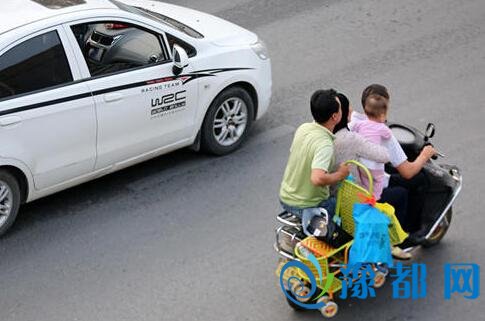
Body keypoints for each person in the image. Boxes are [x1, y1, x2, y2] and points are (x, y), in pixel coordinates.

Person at [351, 84, 437, 243]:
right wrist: (425, 155)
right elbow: (408, 172)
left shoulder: (354, 123)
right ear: (384, 111)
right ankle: (406, 234)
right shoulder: (385, 135)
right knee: (419, 180)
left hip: (354, 185)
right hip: (372, 191)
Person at [333, 93, 411, 259]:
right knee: (401, 194)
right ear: (339, 115)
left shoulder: (325, 137)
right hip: (358, 197)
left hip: (339, 193)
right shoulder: (351, 139)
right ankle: (393, 243)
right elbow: (385, 156)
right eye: (348, 109)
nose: (352, 111)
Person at [279, 89, 350, 235]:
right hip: (307, 204)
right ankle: (330, 248)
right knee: (343, 209)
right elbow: (317, 178)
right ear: (335, 116)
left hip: (285, 196)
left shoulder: (303, 128)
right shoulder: (325, 144)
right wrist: (340, 174)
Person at [352, 94, 392, 200]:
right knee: (379, 180)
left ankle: (365, 194)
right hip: (374, 166)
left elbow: (352, 128)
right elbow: (388, 135)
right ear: (383, 115)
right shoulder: (381, 127)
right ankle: (375, 198)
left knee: (366, 180)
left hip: (362, 164)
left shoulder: (360, 124)